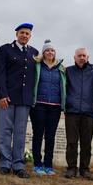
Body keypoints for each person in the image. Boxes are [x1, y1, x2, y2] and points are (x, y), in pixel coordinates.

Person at [0, 23, 39, 178]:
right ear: (16, 34)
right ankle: (5, 163)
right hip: (7, 98)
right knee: (5, 132)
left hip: (24, 99)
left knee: (20, 133)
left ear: (30, 36)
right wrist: (1, 94)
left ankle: (18, 165)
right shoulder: (5, 49)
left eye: (27, 34)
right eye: (22, 33)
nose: (24, 36)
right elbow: (0, 74)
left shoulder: (34, 53)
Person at [30, 39, 66, 176]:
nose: (50, 52)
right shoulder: (37, 65)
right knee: (38, 135)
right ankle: (37, 164)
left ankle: (48, 165)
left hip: (55, 107)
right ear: (43, 52)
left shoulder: (61, 68)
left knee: (50, 136)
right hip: (39, 105)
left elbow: (64, 86)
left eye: (52, 50)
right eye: (47, 50)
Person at [64, 48, 93, 179]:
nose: (82, 57)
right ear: (74, 57)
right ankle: (71, 168)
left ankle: (85, 169)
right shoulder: (68, 71)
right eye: (79, 55)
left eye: (84, 55)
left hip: (88, 112)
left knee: (86, 143)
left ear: (88, 57)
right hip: (72, 111)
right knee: (71, 142)